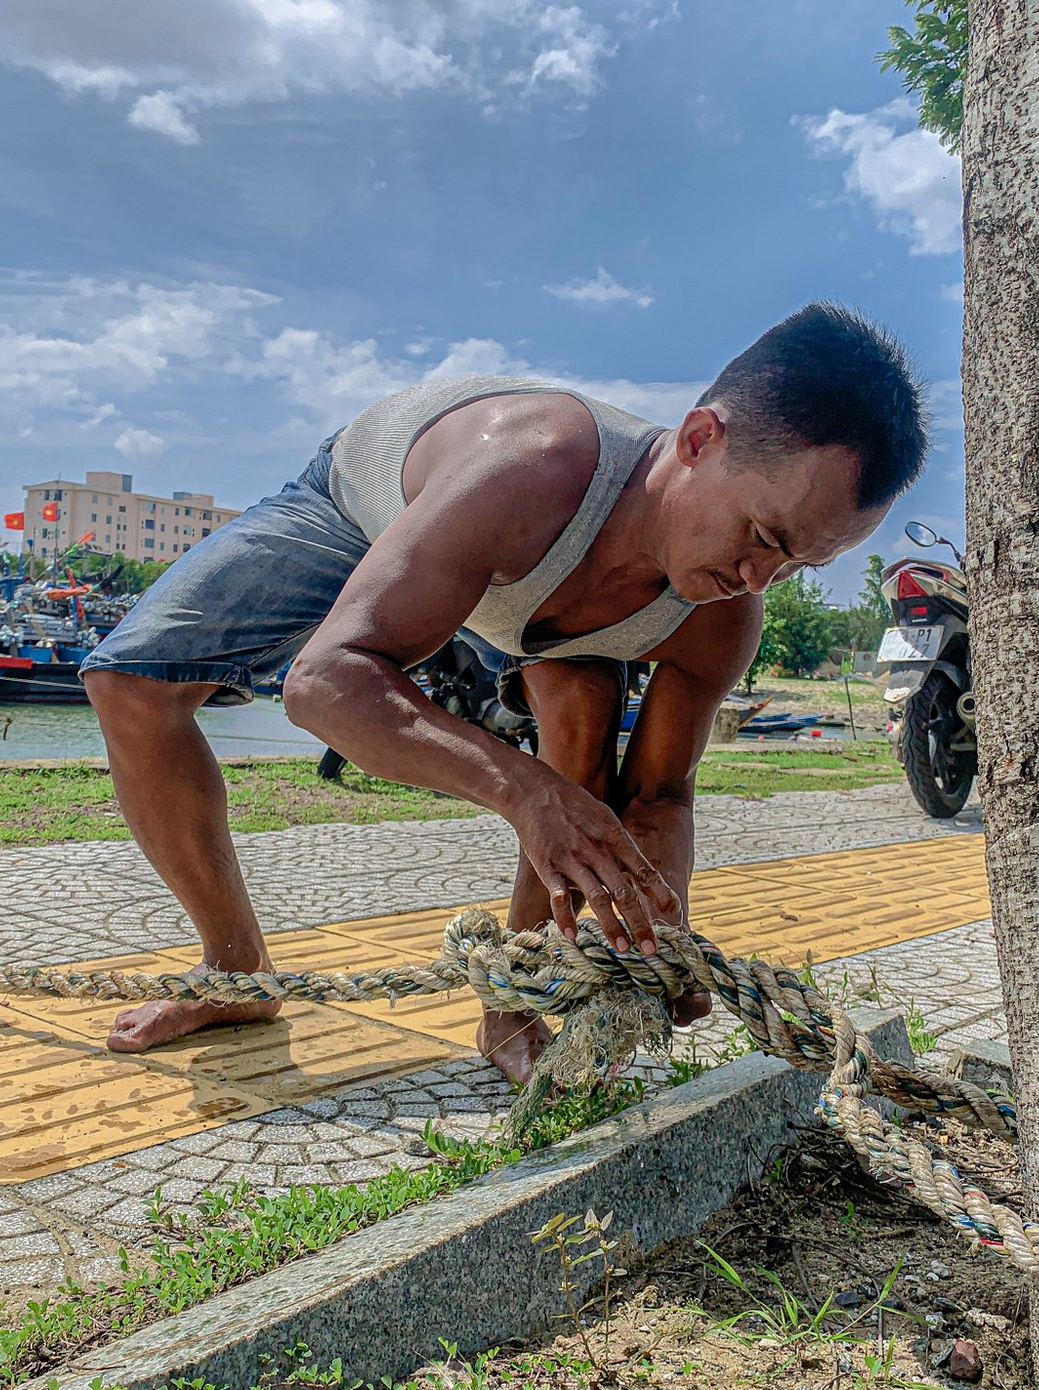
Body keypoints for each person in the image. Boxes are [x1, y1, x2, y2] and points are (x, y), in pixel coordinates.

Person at [79, 302, 928, 1082]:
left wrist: (656, 930)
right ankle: (237, 972)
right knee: (130, 684)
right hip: (373, 510)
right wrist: (523, 794)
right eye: (763, 535)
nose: (759, 576)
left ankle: (514, 1004)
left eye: (798, 564)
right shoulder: (531, 466)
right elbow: (324, 686)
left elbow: (661, 796)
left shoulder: (724, 611)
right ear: (700, 437)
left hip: (556, 612)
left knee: (582, 751)